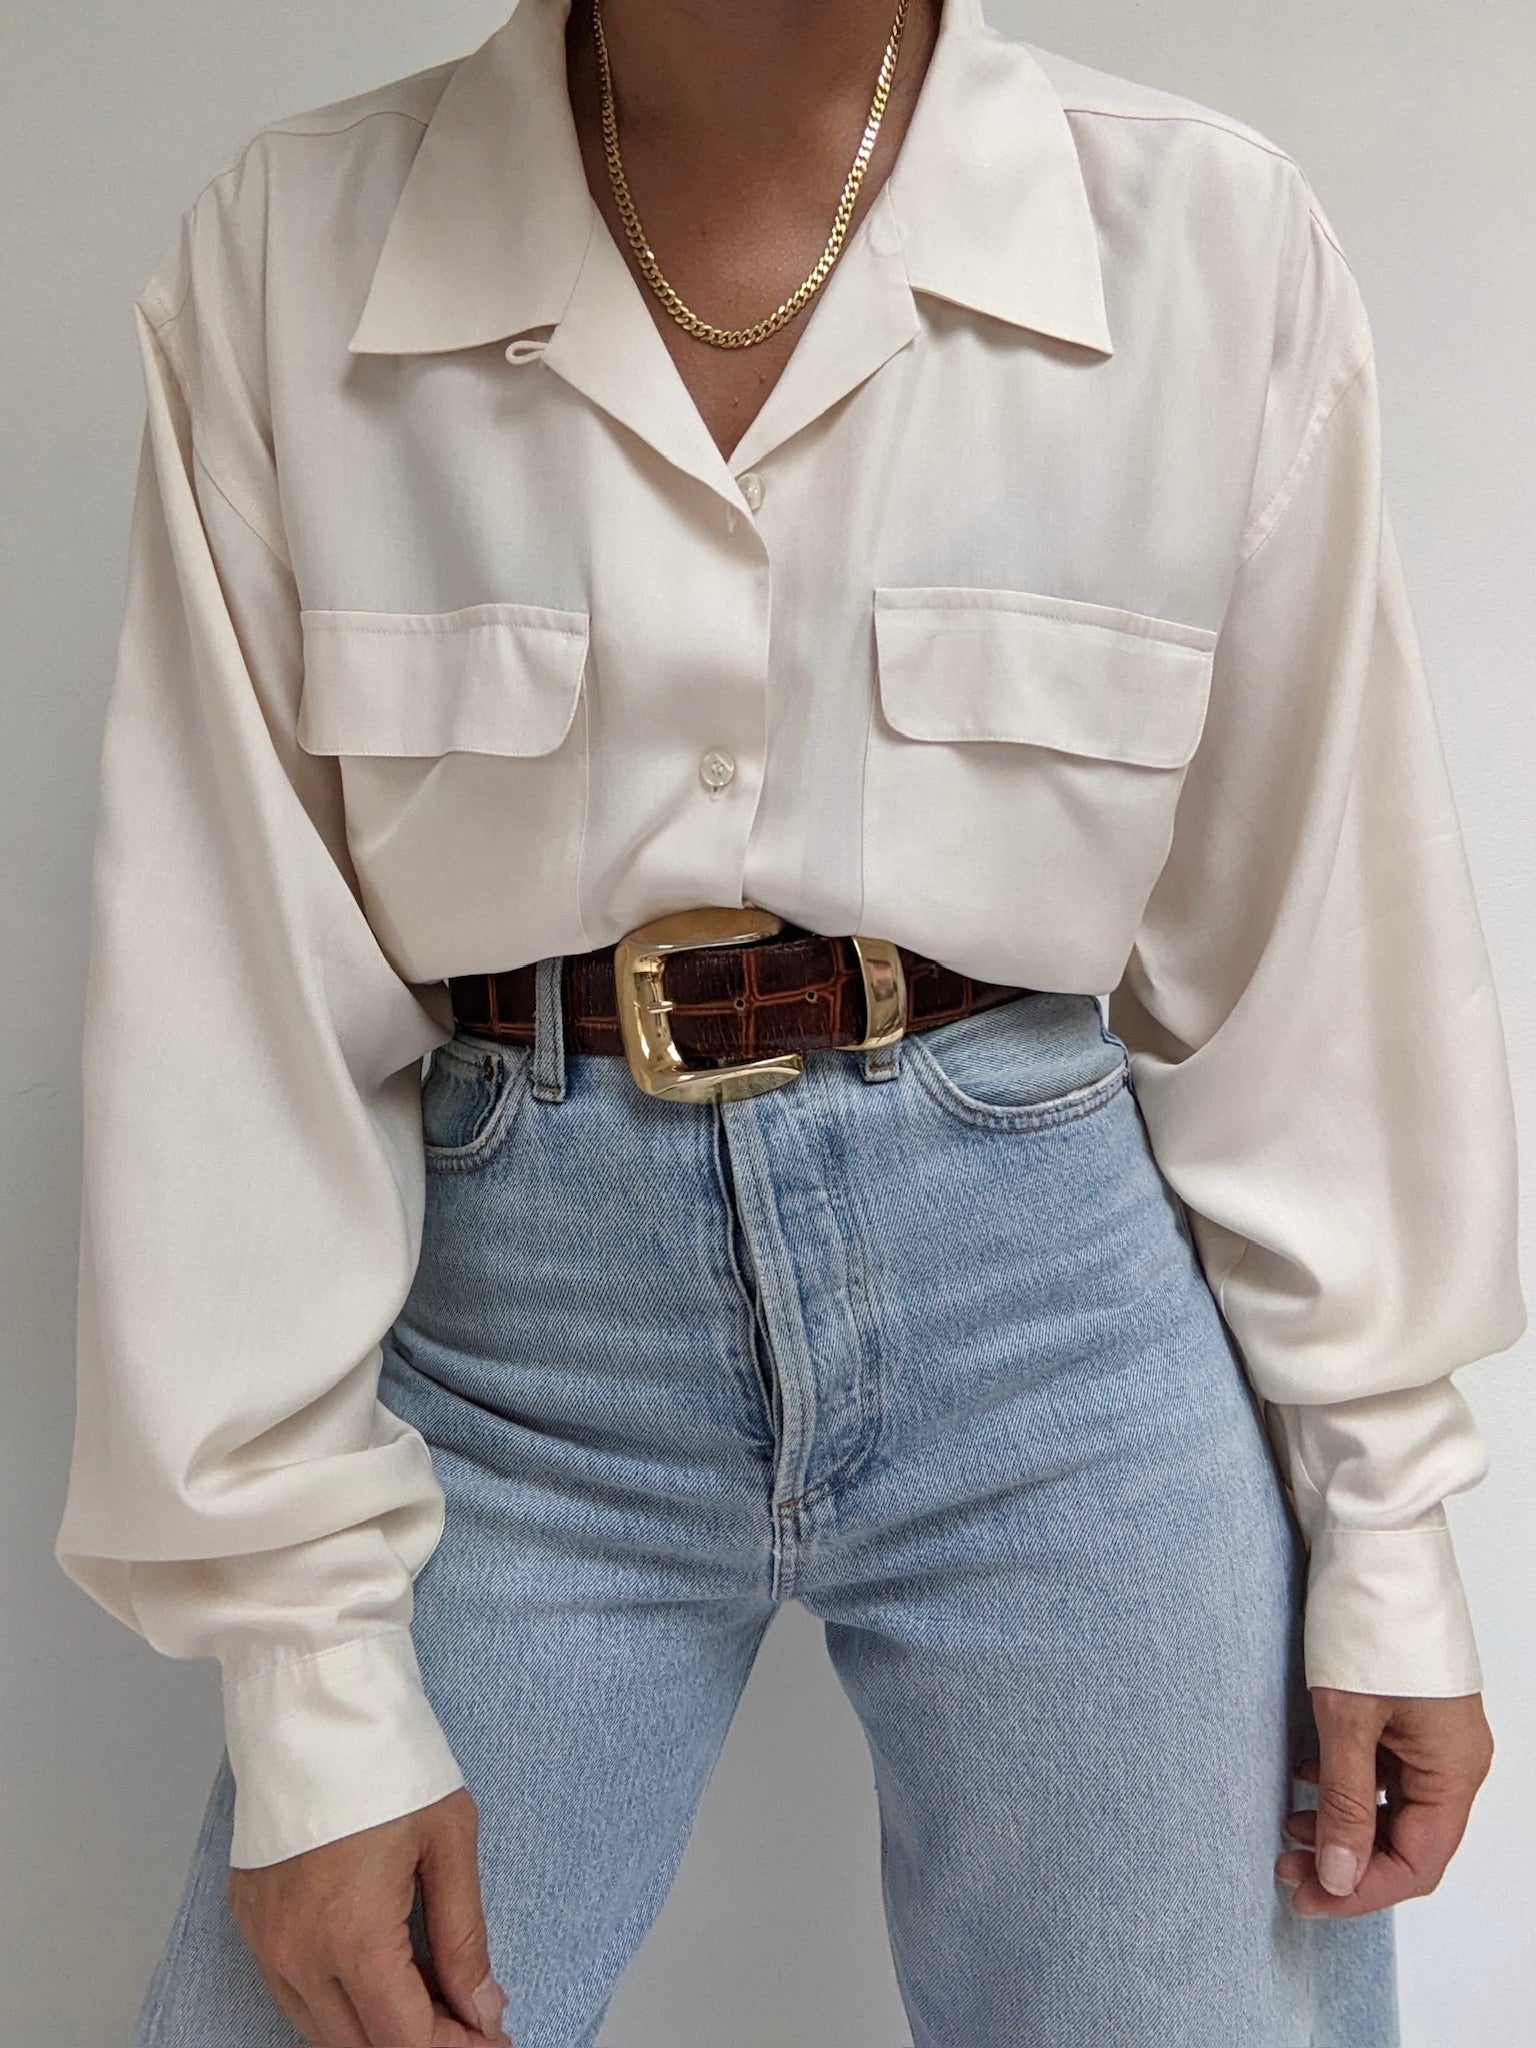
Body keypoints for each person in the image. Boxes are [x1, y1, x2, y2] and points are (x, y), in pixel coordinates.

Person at [56, 0, 1525, 2043]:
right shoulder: (300, 249)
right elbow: (227, 993)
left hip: (1062, 1335)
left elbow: (1311, 934)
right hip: (510, 1367)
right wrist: (306, 1682)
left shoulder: (1203, 237)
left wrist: (1384, 1523)